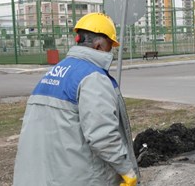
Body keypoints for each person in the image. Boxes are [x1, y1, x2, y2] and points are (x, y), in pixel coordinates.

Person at [13, 12, 139, 186]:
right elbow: (102, 135)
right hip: (81, 177)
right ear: (99, 45)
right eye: (111, 46)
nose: (111, 52)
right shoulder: (93, 77)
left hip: (46, 175)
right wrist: (127, 170)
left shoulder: (54, 72)